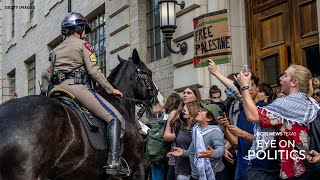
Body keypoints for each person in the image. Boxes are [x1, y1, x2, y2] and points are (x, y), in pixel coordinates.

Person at [49, 12, 128, 175]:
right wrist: (111, 89)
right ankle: (114, 162)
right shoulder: (83, 45)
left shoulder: (55, 50)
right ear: (79, 29)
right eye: (84, 29)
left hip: (56, 90)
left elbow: (49, 74)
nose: (85, 33)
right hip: (76, 87)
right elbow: (93, 71)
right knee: (114, 118)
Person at [237, 65, 320, 179]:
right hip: (305, 167)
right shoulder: (307, 102)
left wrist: (245, 87)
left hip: (297, 171)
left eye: (285, 75)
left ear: (294, 82)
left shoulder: (289, 104)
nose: (280, 78)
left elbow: (252, 115)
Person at [168, 103, 226, 180]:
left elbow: (221, 149)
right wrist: (183, 152)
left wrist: (213, 153)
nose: (199, 111)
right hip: (196, 175)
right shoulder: (196, 129)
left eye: (203, 111)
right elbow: (192, 151)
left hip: (213, 174)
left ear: (209, 118)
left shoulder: (214, 132)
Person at [164, 87, 202, 180]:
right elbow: (166, 136)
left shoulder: (201, 113)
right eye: (184, 93)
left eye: (189, 93)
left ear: (196, 97)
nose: (185, 95)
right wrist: (181, 134)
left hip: (194, 159)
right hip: (176, 157)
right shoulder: (175, 113)